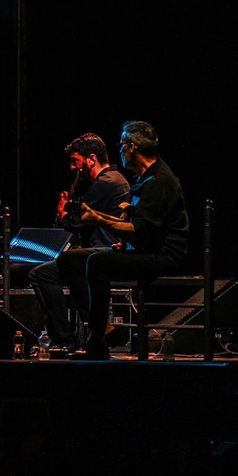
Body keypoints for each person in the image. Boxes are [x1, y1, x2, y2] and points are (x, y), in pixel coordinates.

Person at [56, 120, 189, 359]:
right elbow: (142, 228)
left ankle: (97, 340)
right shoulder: (144, 178)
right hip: (147, 249)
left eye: (122, 145)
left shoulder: (159, 182)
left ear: (133, 147)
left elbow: (142, 232)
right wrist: (100, 220)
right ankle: (104, 330)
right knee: (68, 260)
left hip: (164, 256)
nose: (119, 150)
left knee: (97, 262)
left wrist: (97, 219)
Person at [28, 133, 131, 351]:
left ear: (91, 159)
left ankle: (65, 340)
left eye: (76, 161)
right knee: (56, 269)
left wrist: (63, 212)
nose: (73, 168)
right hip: (99, 250)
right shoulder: (112, 180)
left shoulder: (105, 182)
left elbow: (77, 223)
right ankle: (101, 330)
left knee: (42, 274)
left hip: (103, 251)